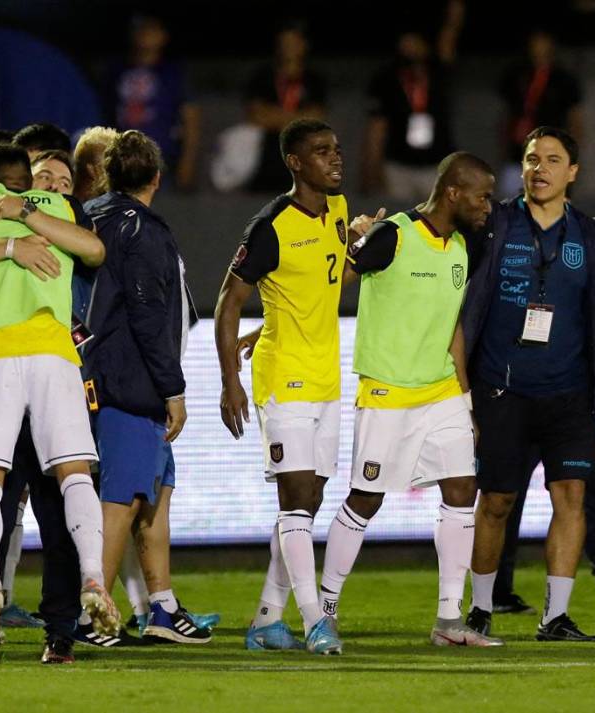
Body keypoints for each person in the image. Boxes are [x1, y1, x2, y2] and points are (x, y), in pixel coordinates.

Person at [0, 141, 114, 662]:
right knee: (74, 479)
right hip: (55, 355)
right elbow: (95, 250)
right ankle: (92, 581)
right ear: (29, 180)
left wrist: (12, 225)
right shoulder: (59, 210)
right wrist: (20, 234)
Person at [461, 126, 595, 643]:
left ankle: (555, 617)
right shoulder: (494, 223)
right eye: (532, 159)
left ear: (573, 172)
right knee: (496, 501)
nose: (540, 169)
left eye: (553, 160)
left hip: (570, 395)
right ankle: (479, 608)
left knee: (571, 497)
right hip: (501, 390)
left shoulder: (592, 236)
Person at [319, 152, 501, 647]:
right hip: (388, 393)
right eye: (483, 197)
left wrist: (465, 400)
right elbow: (328, 286)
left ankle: (448, 621)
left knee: (462, 490)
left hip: (441, 391)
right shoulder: (392, 236)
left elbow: (452, 328)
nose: (488, 207)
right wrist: (351, 242)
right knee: (366, 499)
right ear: (453, 193)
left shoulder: (461, 248)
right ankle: (325, 611)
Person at [215, 118, 378, 655]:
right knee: (295, 501)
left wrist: (358, 247)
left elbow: (328, 280)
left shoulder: (338, 209)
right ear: (295, 162)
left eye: (337, 149)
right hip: (283, 378)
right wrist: (230, 382)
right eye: (322, 151)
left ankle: (267, 618)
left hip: (327, 377)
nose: (336, 158)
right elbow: (227, 303)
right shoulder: (270, 226)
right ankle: (315, 622)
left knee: (308, 499)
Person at [82, 130, 211, 645]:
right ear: (157, 177)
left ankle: (161, 607)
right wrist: (172, 388)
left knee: (156, 494)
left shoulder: (88, 218)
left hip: (107, 375)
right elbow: (147, 313)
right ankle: (91, 613)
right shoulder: (142, 229)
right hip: (132, 383)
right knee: (121, 500)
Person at [490, 453, 595, 616]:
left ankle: (499, 592)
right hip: (565, 433)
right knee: (585, 490)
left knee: (509, 493)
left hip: (551, 433)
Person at [360, 0, 465, 199]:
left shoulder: (438, 70)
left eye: (416, 41)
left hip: (437, 165)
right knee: (399, 217)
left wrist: (454, 14)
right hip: (398, 167)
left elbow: (450, 36)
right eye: (406, 41)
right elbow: (376, 128)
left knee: (438, 217)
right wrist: (370, 169)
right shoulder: (386, 79)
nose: (411, 47)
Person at [103, 15, 200, 191]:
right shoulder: (117, 71)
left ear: (163, 36)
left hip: (162, 161)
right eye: (140, 30)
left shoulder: (172, 73)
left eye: (151, 30)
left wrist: (187, 162)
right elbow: (106, 115)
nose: (145, 35)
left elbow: (190, 118)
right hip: (122, 161)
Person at [243, 23, 328, 192]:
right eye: (284, 43)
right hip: (265, 154)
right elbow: (256, 116)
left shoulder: (314, 79)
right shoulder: (263, 77)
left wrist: (276, 117)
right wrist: (296, 119)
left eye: (294, 42)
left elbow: (316, 118)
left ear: (305, 45)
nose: (289, 48)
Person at [496, 30, 582, 197]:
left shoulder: (563, 79)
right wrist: (503, 146)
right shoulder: (517, 74)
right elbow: (506, 114)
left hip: (550, 155)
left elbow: (575, 119)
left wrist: (572, 157)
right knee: (512, 202)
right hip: (518, 154)